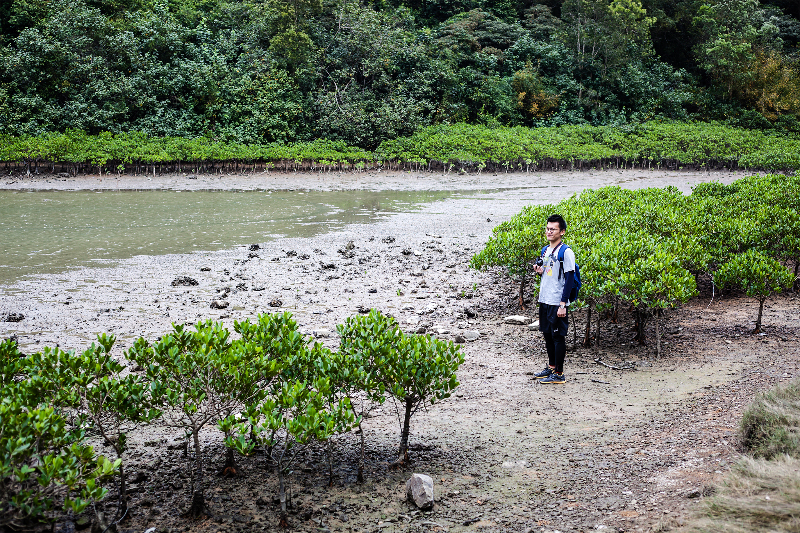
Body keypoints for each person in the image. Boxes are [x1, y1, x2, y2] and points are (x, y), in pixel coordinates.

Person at [532, 214, 575, 384]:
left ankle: (559, 373)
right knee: (548, 335)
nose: (549, 232)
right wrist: (540, 271)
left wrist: (563, 304)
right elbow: (548, 271)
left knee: (558, 337)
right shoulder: (545, 250)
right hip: (545, 299)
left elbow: (570, 279)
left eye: (553, 229)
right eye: (548, 228)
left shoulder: (567, 252)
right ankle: (551, 367)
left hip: (558, 301)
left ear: (562, 232)